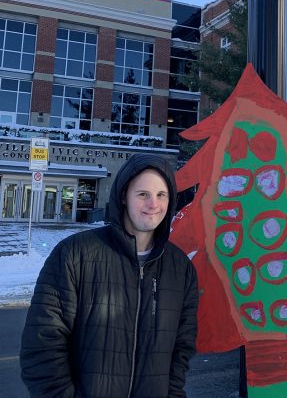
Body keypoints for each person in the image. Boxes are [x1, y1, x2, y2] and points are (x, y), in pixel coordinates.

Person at [20, 153, 198, 398]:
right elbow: (43, 343)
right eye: (143, 194)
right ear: (124, 196)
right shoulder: (74, 254)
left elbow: (181, 349)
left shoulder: (181, 269)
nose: (153, 204)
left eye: (161, 195)